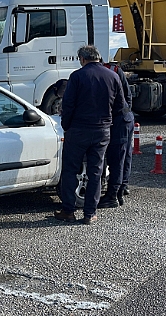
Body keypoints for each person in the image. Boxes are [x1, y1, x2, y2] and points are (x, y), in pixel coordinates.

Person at [54, 45, 127, 225]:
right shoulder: (113, 76)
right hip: (102, 131)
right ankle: (90, 214)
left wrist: (66, 126)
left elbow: (68, 105)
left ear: (82, 59)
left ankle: (68, 211)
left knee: (70, 170)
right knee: (96, 172)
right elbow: (120, 106)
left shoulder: (77, 76)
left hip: (78, 130)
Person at [98, 62, 134, 208]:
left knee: (117, 158)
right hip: (124, 118)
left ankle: (113, 195)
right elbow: (128, 96)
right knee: (123, 155)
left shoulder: (108, 72)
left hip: (120, 120)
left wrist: (119, 115)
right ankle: (121, 186)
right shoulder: (114, 70)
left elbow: (127, 97)